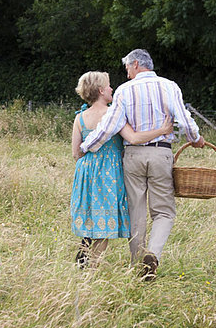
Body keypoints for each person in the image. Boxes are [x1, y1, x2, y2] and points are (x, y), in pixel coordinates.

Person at [80, 49, 204, 281]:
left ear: (137, 64)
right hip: (160, 155)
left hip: (133, 156)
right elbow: (185, 120)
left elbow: (109, 126)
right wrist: (195, 139)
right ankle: (152, 256)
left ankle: (138, 263)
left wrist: (87, 146)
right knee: (164, 212)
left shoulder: (125, 91)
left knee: (135, 212)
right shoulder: (170, 86)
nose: (127, 74)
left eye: (127, 68)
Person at [70, 71, 173, 268]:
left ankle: (86, 249)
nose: (112, 89)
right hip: (108, 173)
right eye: (109, 86)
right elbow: (133, 138)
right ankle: (92, 268)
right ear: (101, 90)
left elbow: (76, 153)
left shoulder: (80, 118)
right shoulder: (113, 115)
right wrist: (162, 131)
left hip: (85, 171)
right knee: (104, 220)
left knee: (91, 215)